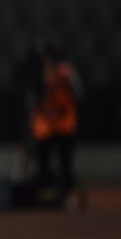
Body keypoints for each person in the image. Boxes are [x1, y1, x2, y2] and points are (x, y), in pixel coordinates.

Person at [30, 43, 83, 208]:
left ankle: (68, 196)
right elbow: (34, 100)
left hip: (65, 125)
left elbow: (79, 94)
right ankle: (45, 196)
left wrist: (63, 82)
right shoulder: (39, 74)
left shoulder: (66, 72)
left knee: (65, 164)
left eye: (48, 57)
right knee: (42, 165)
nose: (46, 61)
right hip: (45, 127)